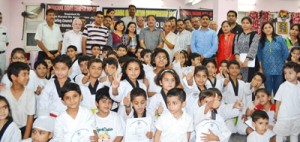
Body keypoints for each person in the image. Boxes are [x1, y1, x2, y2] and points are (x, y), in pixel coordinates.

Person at [0, 62, 35, 139]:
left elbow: (30, 116)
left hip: (25, 128)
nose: (28, 77)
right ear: (13, 77)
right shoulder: (4, 94)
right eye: (24, 74)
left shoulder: (29, 93)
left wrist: (25, 138)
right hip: (8, 128)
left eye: (28, 74)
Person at [257, 21, 289, 94]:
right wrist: (261, 68)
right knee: (268, 89)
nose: (268, 29)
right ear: (262, 30)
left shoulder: (279, 39)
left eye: (269, 27)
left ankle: (277, 104)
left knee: (278, 89)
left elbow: (285, 52)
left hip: (279, 67)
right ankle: (269, 105)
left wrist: (282, 64)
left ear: (273, 28)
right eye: (265, 28)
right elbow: (259, 55)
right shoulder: (261, 41)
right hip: (266, 68)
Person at [273, 62, 300, 142]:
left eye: (290, 73)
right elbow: (278, 101)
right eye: (285, 73)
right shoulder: (283, 86)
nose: (287, 75)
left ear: (298, 74)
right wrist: (276, 113)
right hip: (284, 117)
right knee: (280, 134)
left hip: (297, 117)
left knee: (294, 134)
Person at [234, 17, 259, 82]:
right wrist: (238, 60)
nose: (245, 24)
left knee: (250, 81)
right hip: (239, 61)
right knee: (239, 80)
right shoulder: (238, 35)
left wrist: (246, 60)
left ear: (251, 24)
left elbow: (253, 48)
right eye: (243, 23)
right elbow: (236, 47)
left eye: (247, 23)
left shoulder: (255, 35)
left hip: (250, 61)